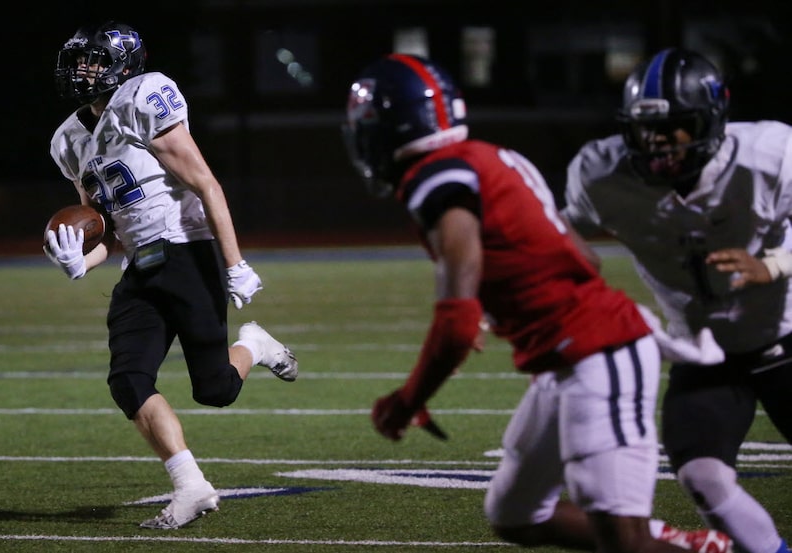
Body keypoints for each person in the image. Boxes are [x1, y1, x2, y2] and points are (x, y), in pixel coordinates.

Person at [342, 53, 732, 553]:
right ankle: (688, 545)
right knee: (516, 514)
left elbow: (456, 321)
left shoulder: (435, 175)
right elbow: (584, 259)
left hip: (598, 352)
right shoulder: (487, 156)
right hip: (564, 358)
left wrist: (407, 400)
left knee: (624, 539)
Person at [45, 21, 299, 530]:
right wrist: (81, 260)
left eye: (93, 61)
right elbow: (107, 230)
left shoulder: (142, 100)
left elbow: (206, 182)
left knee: (216, 390)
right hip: (138, 264)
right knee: (128, 380)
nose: (82, 72)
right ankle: (191, 486)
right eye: (78, 62)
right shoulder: (70, 140)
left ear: (123, 64)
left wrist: (235, 264)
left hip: (188, 251)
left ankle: (255, 344)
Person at [562, 47, 792, 553]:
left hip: (785, 340)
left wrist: (773, 264)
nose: (657, 141)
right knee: (703, 477)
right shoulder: (602, 175)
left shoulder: (770, 153)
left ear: (710, 119)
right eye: (645, 129)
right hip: (704, 353)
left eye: (675, 125)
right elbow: (560, 236)